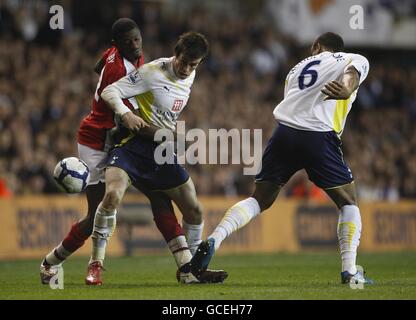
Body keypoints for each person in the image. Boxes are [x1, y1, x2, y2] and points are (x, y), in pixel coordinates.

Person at [190, 32, 373, 285]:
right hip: (318, 137)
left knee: (259, 199)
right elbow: (353, 72)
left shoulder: (295, 69)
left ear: (315, 47)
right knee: (349, 202)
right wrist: (347, 88)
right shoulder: (353, 57)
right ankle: (350, 271)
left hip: (283, 134)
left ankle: (214, 239)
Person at [40, 19, 207, 286]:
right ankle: (62, 262)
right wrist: (156, 130)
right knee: (99, 209)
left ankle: (188, 267)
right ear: (117, 44)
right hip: (100, 137)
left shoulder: (120, 57)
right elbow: (114, 95)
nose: (136, 45)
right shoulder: (128, 68)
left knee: (160, 198)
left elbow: (100, 66)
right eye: (129, 42)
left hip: (125, 137)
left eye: (138, 39)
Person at [97, 31, 228, 284]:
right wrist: (126, 114)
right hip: (135, 144)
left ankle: (192, 269)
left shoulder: (190, 74)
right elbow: (110, 91)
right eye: (184, 62)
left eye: (194, 65)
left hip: (161, 149)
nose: (187, 69)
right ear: (175, 54)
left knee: (194, 210)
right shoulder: (152, 72)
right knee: (114, 195)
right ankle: (96, 263)